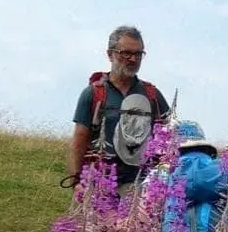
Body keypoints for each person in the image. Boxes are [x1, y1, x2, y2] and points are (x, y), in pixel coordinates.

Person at [67, 26, 170, 197]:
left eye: (138, 54)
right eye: (126, 53)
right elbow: (79, 141)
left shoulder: (152, 94)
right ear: (110, 54)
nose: (133, 59)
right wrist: (76, 182)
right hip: (97, 184)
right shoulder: (93, 93)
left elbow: (169, 136)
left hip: (139, 186)